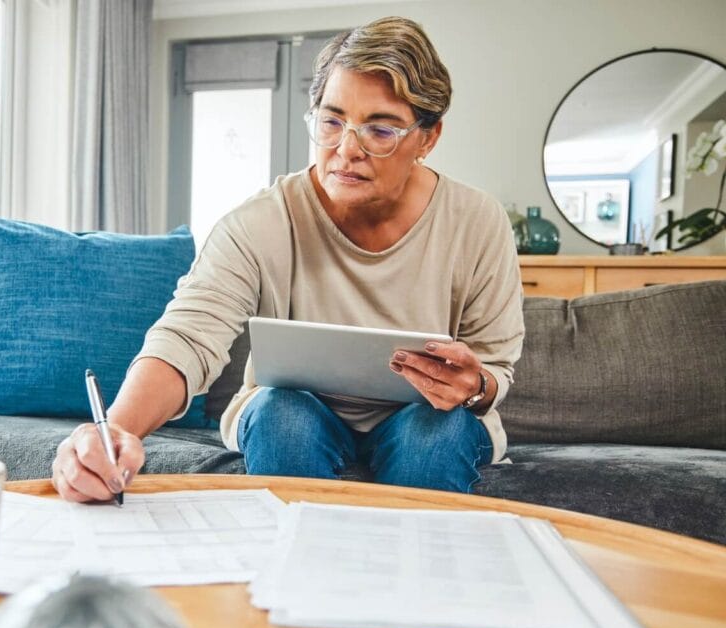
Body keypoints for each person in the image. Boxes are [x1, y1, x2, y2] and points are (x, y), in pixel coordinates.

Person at [54, 16, 524, 503]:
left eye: (379, 130)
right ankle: (296, 571)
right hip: (294, 414)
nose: (346, 150)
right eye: (331, 121)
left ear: (427, 138)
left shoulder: (477, 221)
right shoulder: (260, 221)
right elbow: (188, 336)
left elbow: (494, 369)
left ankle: (414, 572)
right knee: (281, 414)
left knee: (437, 430)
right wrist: (116, 433)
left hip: (425, 417)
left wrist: (475, 386)